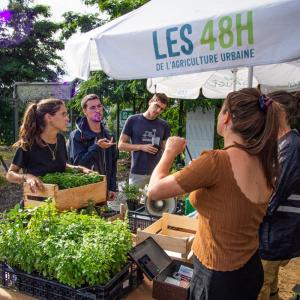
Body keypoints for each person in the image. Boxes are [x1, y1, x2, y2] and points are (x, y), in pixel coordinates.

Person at [148, 88, 281, 300]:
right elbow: (232, 204)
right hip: (249, 269)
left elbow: (154, 191)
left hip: (217, 276)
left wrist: (169, 152)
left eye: (220, 110)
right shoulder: (266, 162)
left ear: (226, 117)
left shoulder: (216, 161)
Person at [258, 91, 300, 300]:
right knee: (270, 283)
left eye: (265, 111)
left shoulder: (292, 146)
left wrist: (250, 215)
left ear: (279, 113)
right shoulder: (283, 144)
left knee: (261, 285)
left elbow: (276, 194)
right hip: (272, 230)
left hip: (277, 232)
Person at [6, 98, 89, 193]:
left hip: (60, 198)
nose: (67, 118)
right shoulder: (28, 143)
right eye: (63, 114)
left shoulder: (61, 139)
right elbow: (10, 175)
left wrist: (80, 169)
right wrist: (27, 177)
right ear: (49, 117)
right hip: (36, 202)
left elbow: (61, 166)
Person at [67, 94, 117, 200]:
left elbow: (113, 163)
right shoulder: (77, 135)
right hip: (84, 189)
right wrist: (97, 147)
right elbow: (77, 164)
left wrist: (112, 187)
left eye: (99, 106)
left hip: (103, 189)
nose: (97, 110)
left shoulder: (109, 135)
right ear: (85, 111)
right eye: (92, 107)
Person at [118, 93, 170, 189]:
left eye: (162, 109)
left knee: (155, 203)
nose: (158, 110)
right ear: (150, 102)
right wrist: (141, 147)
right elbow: (121, 145)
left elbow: (166, 149)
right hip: (137, 173)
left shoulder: (164, 125)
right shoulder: (133, 120)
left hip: (156, 173)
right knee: (135, 203)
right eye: (157, 106)